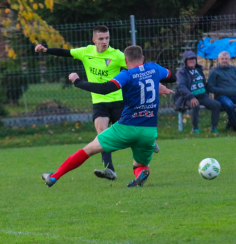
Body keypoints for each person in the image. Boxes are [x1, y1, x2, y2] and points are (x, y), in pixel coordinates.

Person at [35, 25, 160, 181]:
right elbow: (66, 52)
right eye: (101, 39)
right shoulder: (86, 52)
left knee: (131, 131)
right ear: (94, 40)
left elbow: (140, 70)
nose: (104, 41)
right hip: (99, 102)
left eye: (107, 38)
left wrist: (157, 85)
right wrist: (46, 50)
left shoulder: (117, 55)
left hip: (119, 101)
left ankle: (149, 142)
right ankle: (110, 170)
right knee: (101, 134)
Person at [174, 51, 221, 134]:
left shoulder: (199, 70)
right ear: (185, 61)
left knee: (216, 105)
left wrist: (210, 93)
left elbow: (204, 84)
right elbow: (181, 86)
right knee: (195, 104)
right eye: (189, 59)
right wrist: (191, 97)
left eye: (193, 59)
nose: (192, 61)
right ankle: (195, 128)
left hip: (203, 97)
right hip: (187, 98)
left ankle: (214, 128)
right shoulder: (181, 72)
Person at [208, 51, 236, 131]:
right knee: (229, 105)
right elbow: (210, 87)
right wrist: (222, 91)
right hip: (221, 96)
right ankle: (235, 125)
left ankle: (230, 121)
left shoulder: (234, 69)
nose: (224, 60)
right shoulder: (214, 72)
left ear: (229, 59)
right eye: (222, 59)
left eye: (226, 59)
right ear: (218, 60)